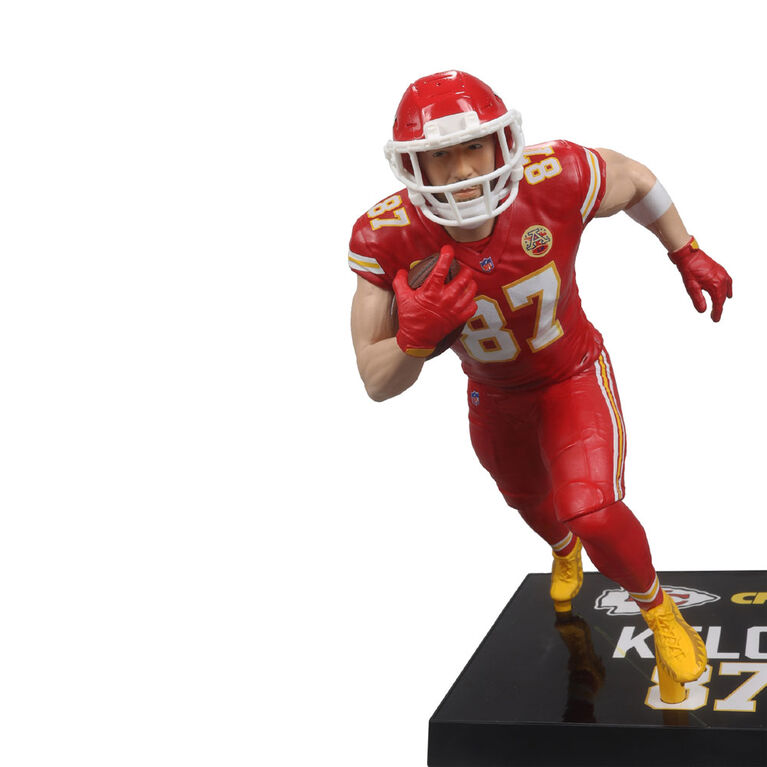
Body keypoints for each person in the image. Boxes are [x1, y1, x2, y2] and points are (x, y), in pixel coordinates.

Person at [348, 70, 732, 702]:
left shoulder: (556, 178)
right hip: (492, 394)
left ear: (503, 142)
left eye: (474, 146)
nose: (462, 170)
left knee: (592, 508)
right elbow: (375, 381)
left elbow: (635, 178)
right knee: (529, 500)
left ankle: (660, 610)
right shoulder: (387, 237)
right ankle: (561, 549)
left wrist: (685, 250)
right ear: (413, 165)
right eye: (441, 155)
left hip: (570, 374)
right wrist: (413, 341)